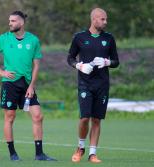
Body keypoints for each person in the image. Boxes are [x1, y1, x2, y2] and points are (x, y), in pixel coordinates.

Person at [0, 11, 56, 161]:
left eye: (13, 21)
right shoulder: (3, 39)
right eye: (9, 20)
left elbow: (36, 65)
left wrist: (32, 86)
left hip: (27, 85)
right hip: (10, 84)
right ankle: (13, 154)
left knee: (38, 116)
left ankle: (39, 154)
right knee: (10, 117)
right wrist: (0, 72)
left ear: (21, 23)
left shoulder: (33, 40)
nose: (10, 23)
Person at [67, 8, 119, 163]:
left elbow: (116, 61)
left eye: (106, 19)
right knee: (84, 118)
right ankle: (80, 147)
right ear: (94, 19)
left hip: (102, 85)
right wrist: (79, 66)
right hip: (85, 83)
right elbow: (70, 57)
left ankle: (92, 154)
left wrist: (107, 62)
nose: (105, 22)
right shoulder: (79, 37)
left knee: (96, 120)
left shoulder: (109, 38)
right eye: (102, 19)